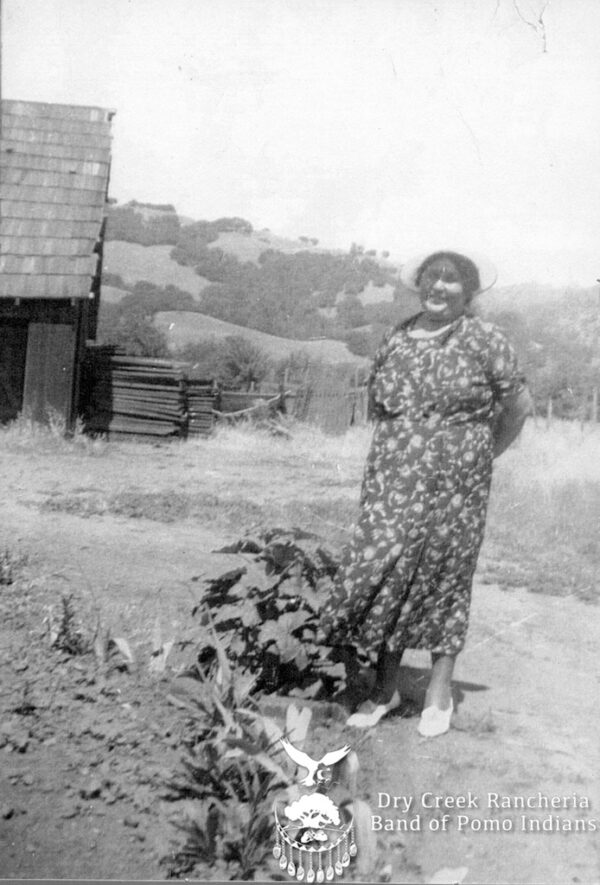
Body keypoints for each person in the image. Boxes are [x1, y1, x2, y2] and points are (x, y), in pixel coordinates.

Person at [321, 249, 532, 737]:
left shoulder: (485, 339)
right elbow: (380, 404)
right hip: (392, 475)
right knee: (386, 566)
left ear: (470, 289)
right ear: (418, 283)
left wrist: (481, 455)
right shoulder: (396, 335)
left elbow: (518, 406)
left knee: (445, 570)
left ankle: (439, 690)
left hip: (457, 479)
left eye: (452, 279)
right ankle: (385, 686)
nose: (439, 286)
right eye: (431, 277)